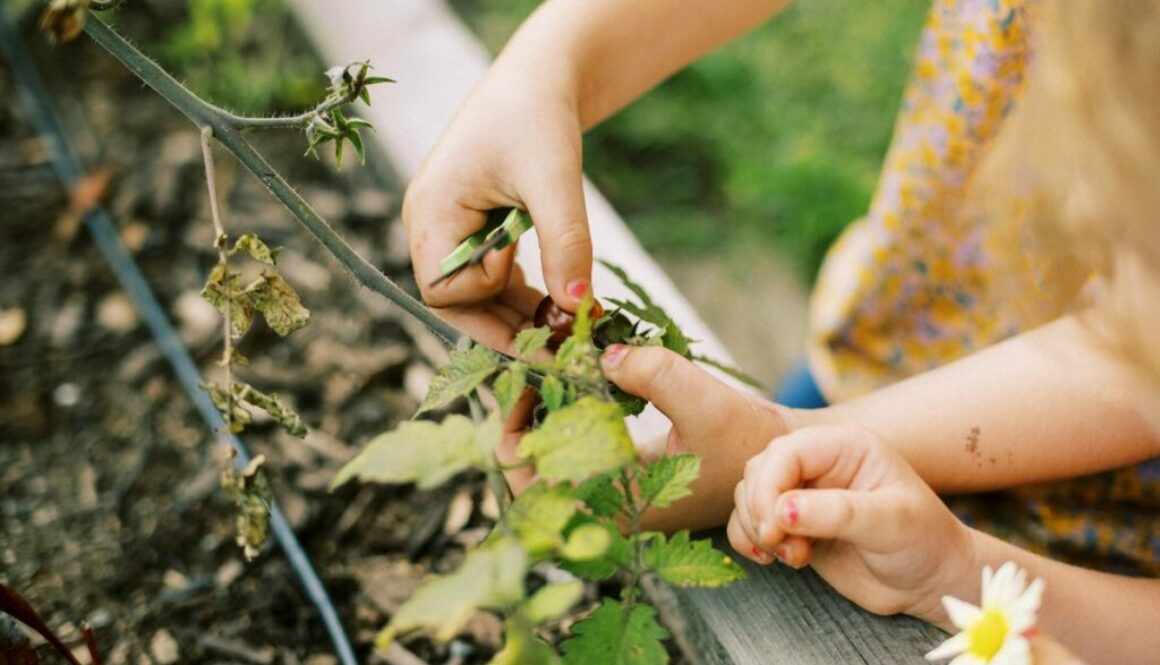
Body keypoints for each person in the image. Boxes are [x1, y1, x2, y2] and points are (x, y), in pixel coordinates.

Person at [405, 0, 1160, 660]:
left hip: (1085, 562)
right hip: (880, 354)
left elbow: (1135, 349)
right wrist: (548, 68)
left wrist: (782, 448)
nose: (1078, 209)